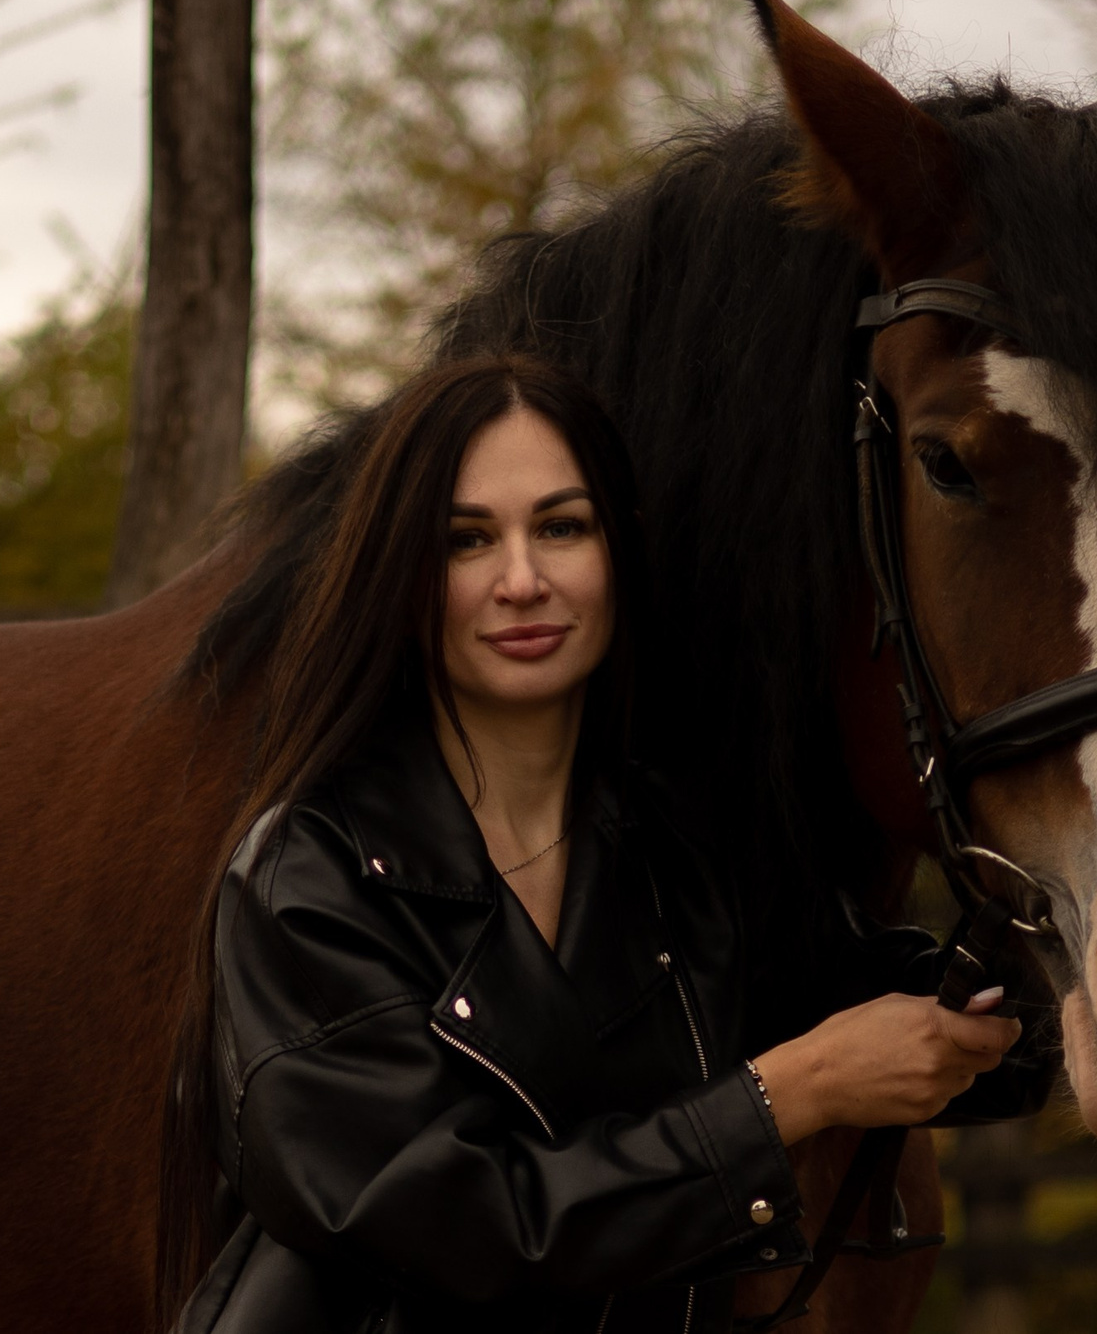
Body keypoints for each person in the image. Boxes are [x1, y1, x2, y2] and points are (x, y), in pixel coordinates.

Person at [160, 354, 1050, 1334]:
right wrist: (791, 1093)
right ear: (402, 576)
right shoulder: (307, 876)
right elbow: (450, 1225)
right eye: (466, 541)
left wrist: (1039, 927)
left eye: (560, 527)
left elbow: (951, 1033)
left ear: (614, 550)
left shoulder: (685, 852)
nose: (521, 580)